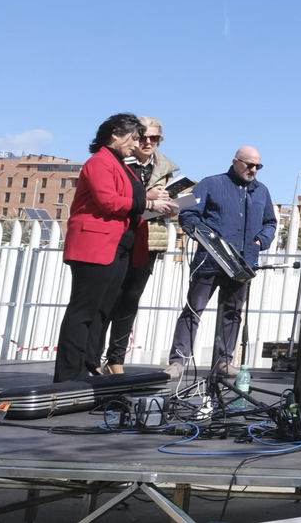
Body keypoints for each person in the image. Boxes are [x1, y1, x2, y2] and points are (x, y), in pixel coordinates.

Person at [56, 114, 175, 382]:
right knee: (83, 311)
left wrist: (148, 197)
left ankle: (89, 366)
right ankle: (67, 375)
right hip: (95, 244)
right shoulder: (100, 161)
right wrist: (147, 203)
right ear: (114, 134)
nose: (136, 144)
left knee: (102, 309)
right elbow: (108, 201)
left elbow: (124, 195)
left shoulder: (119, 164)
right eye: (133, 138)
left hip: (117, 245)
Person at [166, 147, 276, 380]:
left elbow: (270, 223)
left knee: (233, 313)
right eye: (249, 165)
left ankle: (224, 361)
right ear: (235, 161)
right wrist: (206, 237)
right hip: (209, 260)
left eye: (258, 166)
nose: (253, 170)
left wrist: (260, 241)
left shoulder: (262, 191)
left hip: (243, 264)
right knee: (193, 309)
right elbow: (188, 214)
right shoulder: (210, 184)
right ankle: (178, 361)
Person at [94, 115, 181, 375]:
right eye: (143, 137)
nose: (148, 143)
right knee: (106, 299)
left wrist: (170, 207)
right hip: (119, 235)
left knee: (130, 300)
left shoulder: (165, 167)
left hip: (148, 238)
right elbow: (111, 197)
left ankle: (115, 359)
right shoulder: (118, 162)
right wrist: (146, 198)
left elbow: (168, 201)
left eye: (154, 138)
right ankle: (92, 358)